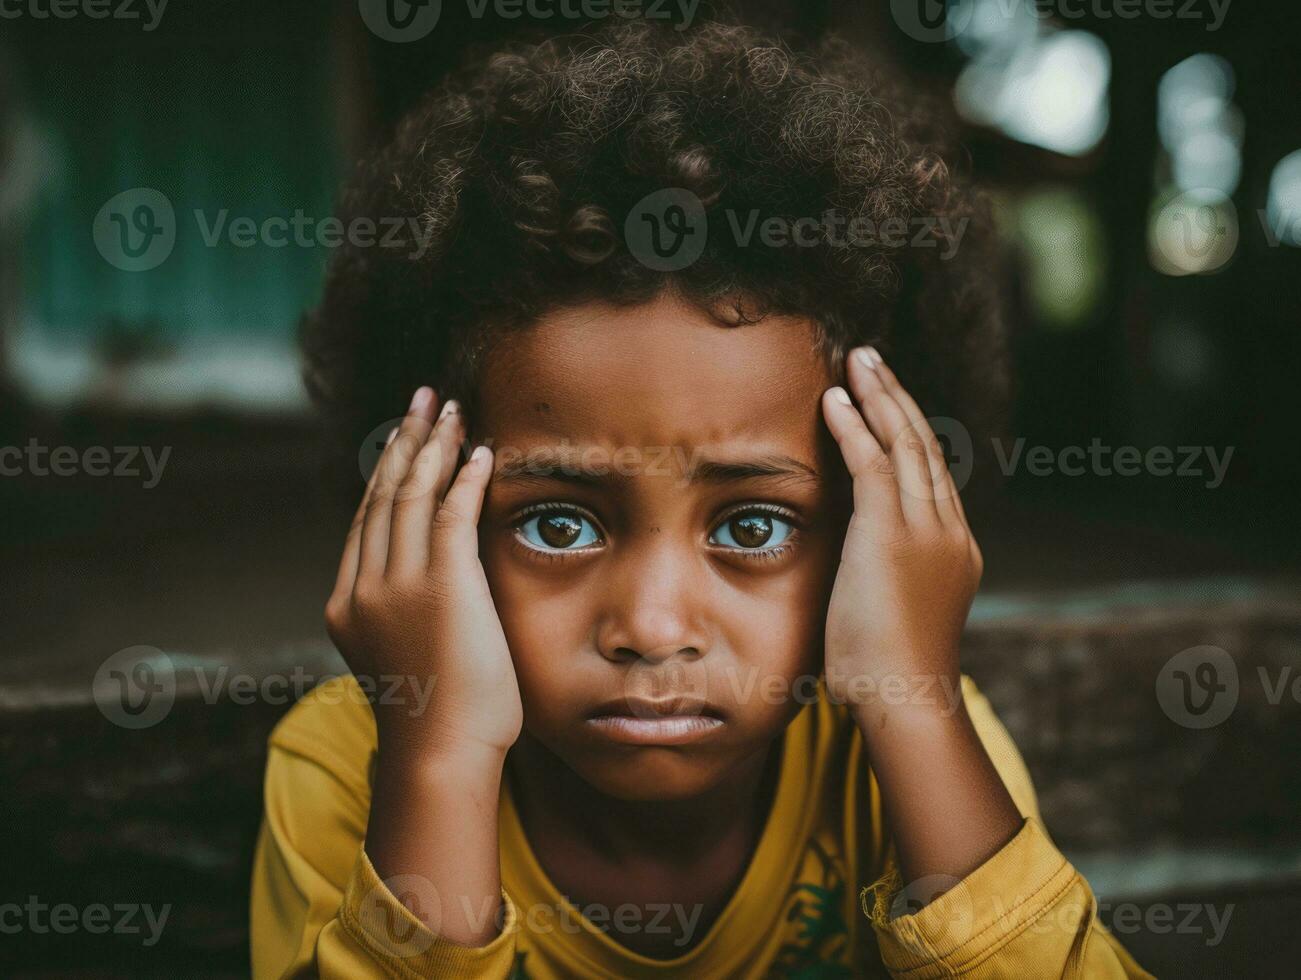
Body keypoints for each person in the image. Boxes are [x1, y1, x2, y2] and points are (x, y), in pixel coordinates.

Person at [250, 19, 1150, 978]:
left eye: (752, 524)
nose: (650, 624)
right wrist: (440, 763)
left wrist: (914, 707)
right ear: (428, 515)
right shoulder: (354, 764)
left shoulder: (902, 744)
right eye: (558, 522)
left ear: (874, 535)